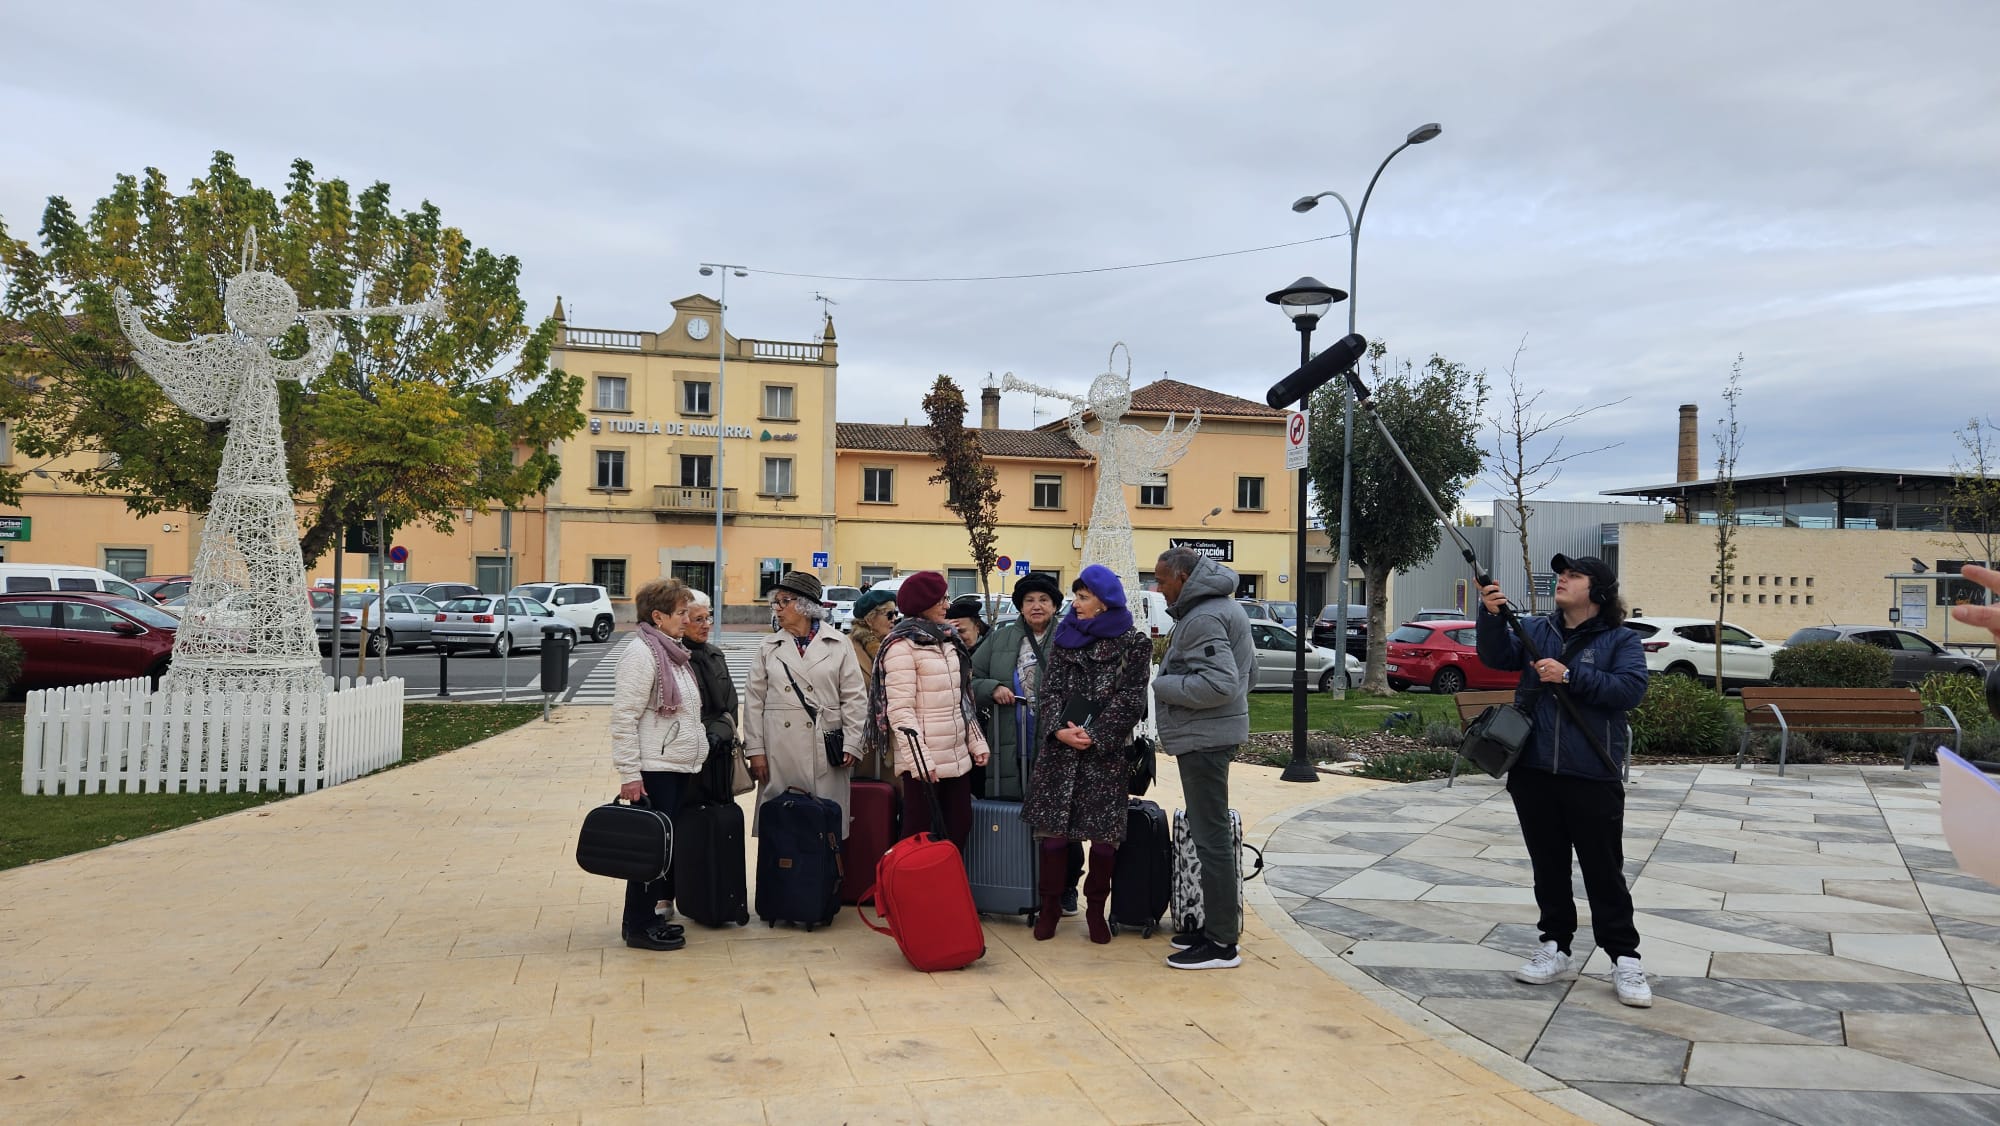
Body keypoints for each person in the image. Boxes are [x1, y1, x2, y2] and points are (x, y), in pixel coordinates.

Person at [1476, 553, 1652, 1008]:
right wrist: (1491, 616)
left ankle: (1624, 957)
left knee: (1602, 868)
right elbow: (1495, 657)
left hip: (1591, 772)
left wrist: (1571, 675)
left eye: (1574, 575)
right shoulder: (1536, 629)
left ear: (1598, 590)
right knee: (1548, 864)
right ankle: (1555, 946)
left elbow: (1629, 691)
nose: (1562, 580)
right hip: (1533, 769)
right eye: (1561, 574)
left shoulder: (1620, 640)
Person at [1022, 566, 1152, 942]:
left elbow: (1131, 698)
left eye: (1083, 597)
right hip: (1060, 751)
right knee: (1054, 837)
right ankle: (1049, 909)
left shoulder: (1134, 642)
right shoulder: (1066, 636)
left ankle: (1096, 909)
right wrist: (1059, 730)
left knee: (1104, 841)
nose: (1075, 604)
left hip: (1104, 755)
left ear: (1104, 601)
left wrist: (1095, 735)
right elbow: (1049, 692)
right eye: (1076, 596)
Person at [1150, 546, 1255, 970]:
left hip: (1205, 739)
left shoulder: (1204, 617)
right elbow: (1249, 674)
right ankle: (1214, 927)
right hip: (1211, 734)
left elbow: (1221, 685)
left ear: (1183, 576)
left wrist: (1163, 685)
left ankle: (1221, 944)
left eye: (1161, 581)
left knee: (1211, 841)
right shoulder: (1219, 608)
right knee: (1208, 835)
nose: (1157, 589)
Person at [971, 572, 1083, 915]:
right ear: (1020, 606)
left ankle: (1066, 887)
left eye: (1044, 600)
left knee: (1062, 816)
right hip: (1009, 738)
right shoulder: (1001, 638)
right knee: (1011, 812)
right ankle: (1011, 879)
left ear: (1055, 606)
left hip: (1056, 740)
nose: (1037, 606)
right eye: (1030, 600)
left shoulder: (1070, 638)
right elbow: (968, 676)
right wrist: (991, 687)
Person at [609, 577, 708, 951]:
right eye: (681, 613)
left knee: (660, 849)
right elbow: (624, 718)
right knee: (650, 849)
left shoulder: (671, 651)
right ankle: (637, 925)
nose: (687, 619)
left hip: (674, 765)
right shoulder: (642, 654)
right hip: (654, 768)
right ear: (658, 616)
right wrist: (630, 775)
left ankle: (645, 917)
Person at [870, 570, 990, 852]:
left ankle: (945, 889)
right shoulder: (900, 646)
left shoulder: (948, 640)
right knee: (918, 833)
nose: (947, 605)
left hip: (957, 755)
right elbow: (900, 710)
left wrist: (976, 741)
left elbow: (963, 700)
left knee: (959, 825)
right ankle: (909, 892)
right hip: (924, 762)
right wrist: (921, 761)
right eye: (941, 599)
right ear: (923, 603)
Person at [743, 571, 869, 839]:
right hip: (779, 751)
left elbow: (855, 697)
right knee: (782, 830)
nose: (777, 609)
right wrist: (756, 750)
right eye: (774, 602)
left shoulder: (838, 643)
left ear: (805, 606)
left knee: (822, 831)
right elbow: (754, 701)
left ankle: (823, 879)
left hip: (826, 749)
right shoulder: (769, 646)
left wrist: (852, 742)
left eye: (783, 601)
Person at [684, 591, 741, 806]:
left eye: (708, 618)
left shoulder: (715, 656)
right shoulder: (674, 659)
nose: (706, 625)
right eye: (698, 619)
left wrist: (717, 735)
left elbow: (731, 707)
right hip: (686, 759)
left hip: (719, 757)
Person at [846, 588, 898, 775]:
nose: (894, 619)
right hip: (861, 740)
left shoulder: (894, 646)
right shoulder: (847, 648)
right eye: (889, 614)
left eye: (896, 614)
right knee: (866, 797)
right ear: (869, 619)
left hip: (891, 740)